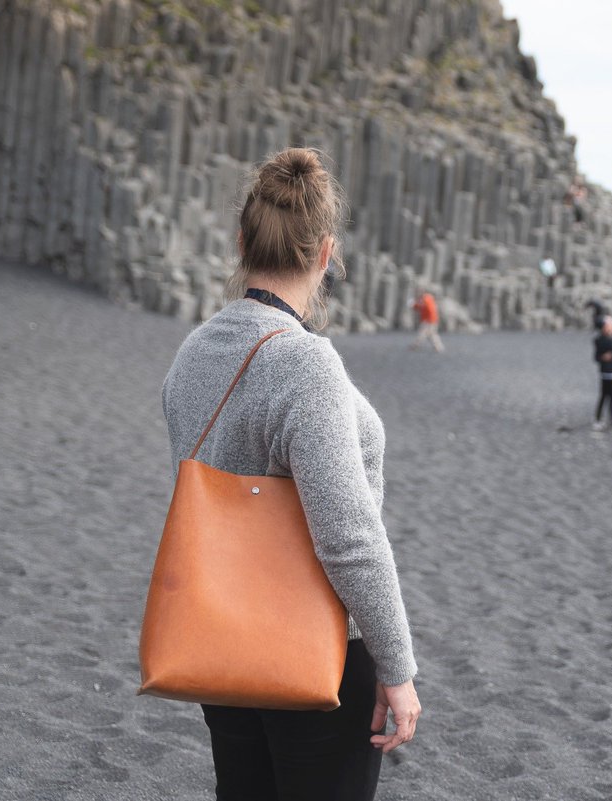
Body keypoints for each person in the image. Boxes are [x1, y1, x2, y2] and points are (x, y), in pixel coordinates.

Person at [160, 148, 421, 801]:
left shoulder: (194, 352)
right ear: (327, 251)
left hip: (218, 633)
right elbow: (348, 537)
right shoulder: (307, 367)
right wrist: (398, 666)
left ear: (243, 240)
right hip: (316, 653)